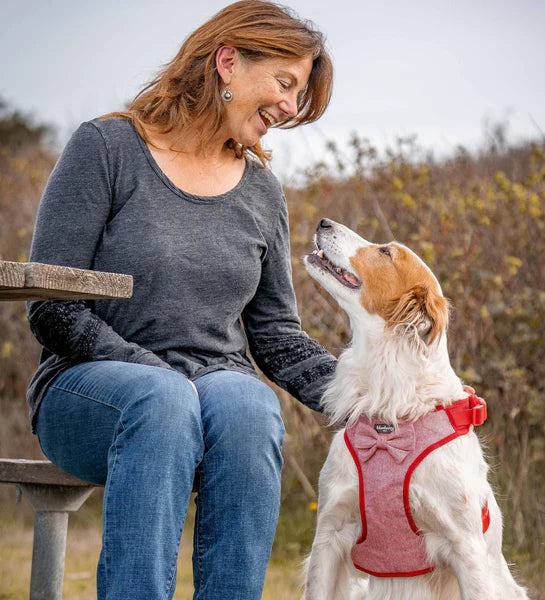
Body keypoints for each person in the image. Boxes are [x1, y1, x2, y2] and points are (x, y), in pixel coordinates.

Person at [25, 2, 336, 599]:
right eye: (285, 83)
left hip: (212, 391)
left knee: (250, 407)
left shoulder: (262, 193)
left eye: (299, 94)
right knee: (163, 400)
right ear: (227, 63)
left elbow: (275, 335)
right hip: (87, 389)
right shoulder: (107, 149)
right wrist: (156, 372)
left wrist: (369, 393)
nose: (291, 108)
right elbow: (52, 306)